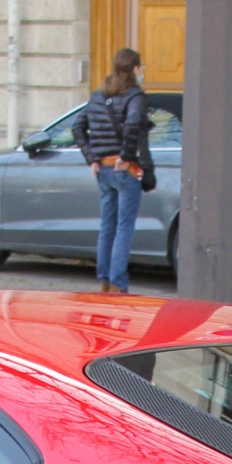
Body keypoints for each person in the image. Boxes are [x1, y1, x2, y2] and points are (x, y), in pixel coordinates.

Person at [79, 47, 148, 294]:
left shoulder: (98, 95)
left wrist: (92, 158)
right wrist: (128, 157)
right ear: (135, 69)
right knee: (124, 227)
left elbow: (78, 127)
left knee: (107, 224)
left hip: (103, 170)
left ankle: (105, 279)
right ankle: (119, 282)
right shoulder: (135, 97)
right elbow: (132, 127)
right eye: (142, 67)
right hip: (124, 170)